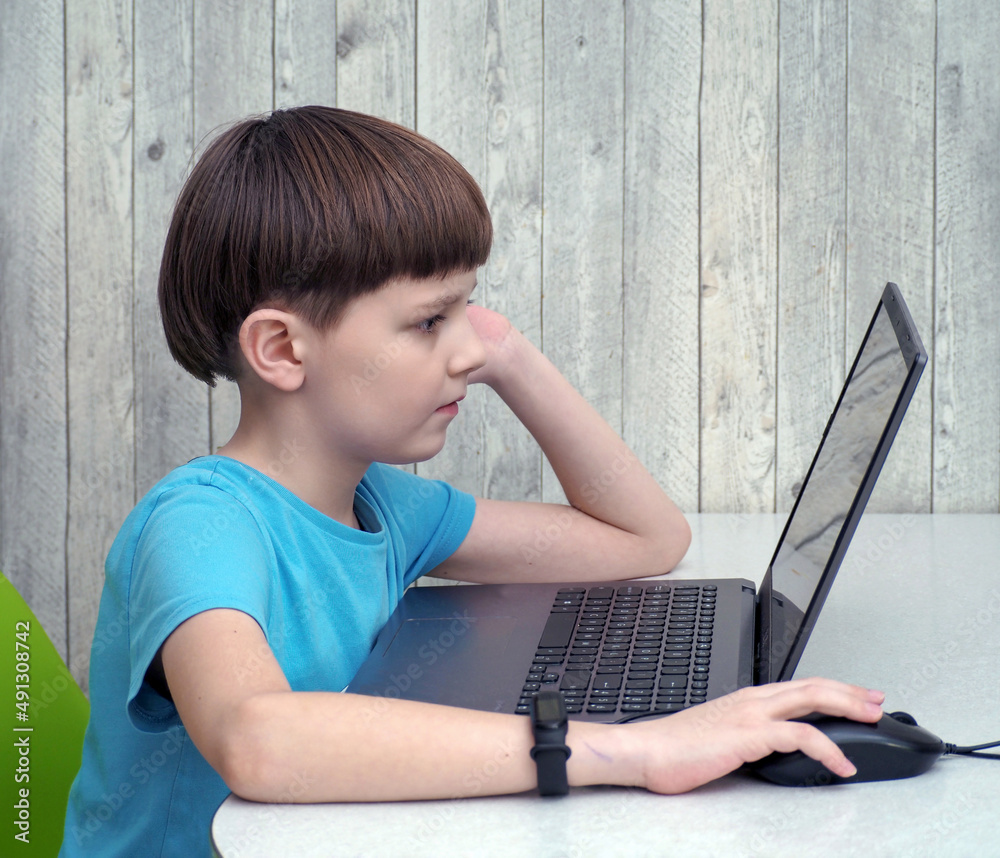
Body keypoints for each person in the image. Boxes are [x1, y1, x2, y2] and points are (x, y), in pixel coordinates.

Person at [60, 106, 884, 856]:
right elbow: (258, 740)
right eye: (428, 321)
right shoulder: (200, 525)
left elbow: (646, 538)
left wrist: (512, 357)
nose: (467, 349)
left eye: (468, 310)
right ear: (280, 349)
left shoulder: (382, 505)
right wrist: (634, 748)